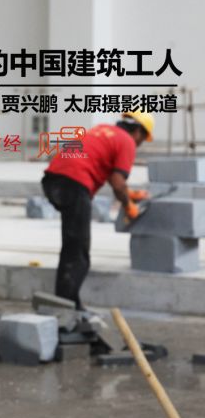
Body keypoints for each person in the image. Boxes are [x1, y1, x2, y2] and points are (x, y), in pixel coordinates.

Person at [42, 112, 154, 309]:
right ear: (138, 131)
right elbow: (117, 182)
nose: (140, 144)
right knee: (78, 251)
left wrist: (129, 193)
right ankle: (67, 306)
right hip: (74, 184)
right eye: (143, 139)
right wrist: (128, 206)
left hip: (53, 180)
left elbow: (108, 171)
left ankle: (65, 302)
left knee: (72, 245)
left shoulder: (102, 130)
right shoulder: (127, 141)